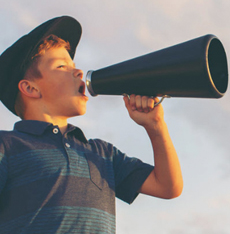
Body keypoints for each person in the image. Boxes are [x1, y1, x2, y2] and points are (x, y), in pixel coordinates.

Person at [0, 16, 183, 234]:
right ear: (30, 89)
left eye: (74, 66)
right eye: (61, 66)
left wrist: (156, 127)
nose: (78, 72)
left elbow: (168, 186)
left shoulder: (102, 153)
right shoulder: (8, 146)